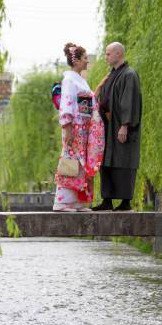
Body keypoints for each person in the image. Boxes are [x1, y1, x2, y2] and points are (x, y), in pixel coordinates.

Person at [53, 43, 105, 212]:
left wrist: (97, 90)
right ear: (76, 61)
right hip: (74, 127)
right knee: (69, 161)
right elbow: (66, 103)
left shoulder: (79, 80)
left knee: (81, 164)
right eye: (84, 58)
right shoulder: (69, 80)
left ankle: (78, 202)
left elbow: (86, 105)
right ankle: (62, 202)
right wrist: (67, 127)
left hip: (83, 128)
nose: (87, 62)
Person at [92, 42, 142, 211]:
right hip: (107, 127)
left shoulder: (129, 75)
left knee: (124, 162)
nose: (106, 57)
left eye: (108, 54)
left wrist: (125, 125)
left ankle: (125, 202)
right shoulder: (111, 75)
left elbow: (130, 101)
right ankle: (107, 199)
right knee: (106, 163)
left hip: (121, 128)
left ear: (118, 54)